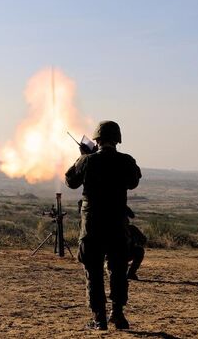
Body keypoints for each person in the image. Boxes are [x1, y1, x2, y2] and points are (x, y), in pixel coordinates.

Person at [65, 120, 142, 331]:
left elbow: (71, 181)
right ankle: (118, 314)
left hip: (92, 226)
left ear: (96, 140)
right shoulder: (126, 161)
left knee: (93, 270)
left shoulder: (87, 160)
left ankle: (99, 318)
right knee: (118, 269)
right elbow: (134, 182)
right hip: (117, 225)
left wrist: (83, 156)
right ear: (117, 140)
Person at [124, 207, 147, 281]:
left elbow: (143, 240)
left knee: (139, 251)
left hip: (126, 253)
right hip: (113, 257)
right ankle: (130, 273)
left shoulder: (131, 229)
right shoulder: (131, 229)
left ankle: (130, 273)